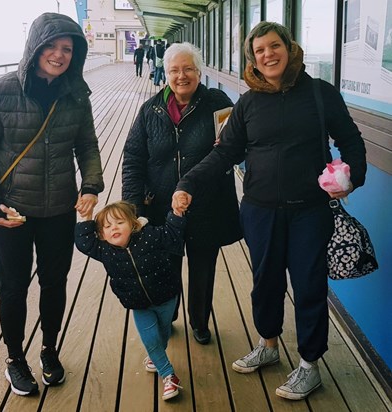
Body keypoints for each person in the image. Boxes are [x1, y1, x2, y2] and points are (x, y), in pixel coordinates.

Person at [172, 21, 367, 400]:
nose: (268, 55)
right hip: (260, 210)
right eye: (259, 51)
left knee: (309, 286)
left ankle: (310, 365)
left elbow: (350, 139)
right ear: (254, 60)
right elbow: (226, 152)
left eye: (274, 46)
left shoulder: (319, 93)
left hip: (310, 210)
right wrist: (188, 182)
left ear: (288, 48)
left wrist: (352, 177)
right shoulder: (248, 102)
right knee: (266, 282)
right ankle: (269, 344)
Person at [0, 12, 104, 396]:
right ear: (35, 47)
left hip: (59, 208)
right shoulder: (2, 91)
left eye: (66, 49)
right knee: (12, 287)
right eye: (51, 46)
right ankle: (14, 357)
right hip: (11, 211)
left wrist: (91, 185)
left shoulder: (77, 94)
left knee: (54, 283)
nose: (58, 55)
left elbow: (88, 146)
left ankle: (48, 349)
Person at [122, 42, 242, 345]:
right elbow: (133, 158)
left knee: (203, 267)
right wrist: (133, 207)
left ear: (199, 72)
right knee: (166, 267)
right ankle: (169, 315)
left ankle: (200, 322)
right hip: (162, 206)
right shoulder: (151, 109)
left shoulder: (218, 102)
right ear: (167, 72)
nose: (181, 75)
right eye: (175, 69)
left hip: (207, 204)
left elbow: (234, 151)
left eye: (188, 68)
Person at [74, 201, 186, 401]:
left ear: (133, 224)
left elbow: (171, 234)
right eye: (107, 227)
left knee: (163, 331)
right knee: (151, 339)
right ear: (101, 234)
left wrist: (176, 213)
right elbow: (84, 243)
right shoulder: (105, 250)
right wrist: (87, 217)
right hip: (138, 304)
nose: (113, 228)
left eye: (119, 222)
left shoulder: (149, 236)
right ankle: (168, 375)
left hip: (166, 295)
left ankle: (156, 358)